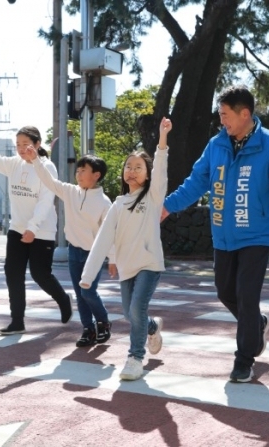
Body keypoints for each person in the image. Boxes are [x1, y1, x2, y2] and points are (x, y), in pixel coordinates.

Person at [162, 86, 269, 383]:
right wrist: (167, 207)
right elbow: (196, 182)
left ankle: (245, 357)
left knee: (246, 295)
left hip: (256, 234)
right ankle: (256, 324)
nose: (222, 121)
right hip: (223, 234)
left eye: (225, 115)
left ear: (244, 114)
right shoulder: (216, 145)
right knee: (225, 292)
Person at [80, 117, 172, 381]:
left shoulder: (153, 197)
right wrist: (88, 277)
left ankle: (135, 358)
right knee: (129, 312)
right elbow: (102, 240)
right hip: (127, 267)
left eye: (138, 167)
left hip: (149, 264)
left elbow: (162, 168)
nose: (132, 170)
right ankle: (152, 327)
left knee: (136, 310)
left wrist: (162, 138)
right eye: (128, 166)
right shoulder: (117, 205)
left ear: (147, 174)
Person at [0, 118, 72, 335]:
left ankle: (62, 298)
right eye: (18, 144)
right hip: (17, 229)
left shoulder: (47, 167)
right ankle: (17, 321)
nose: (21, 149)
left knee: (40, 274)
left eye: (25, 144)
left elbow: (46, 199)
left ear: (38, 144)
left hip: (42, 230)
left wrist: (33, 228)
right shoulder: (14, 164)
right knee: (13, 273)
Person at [24, 147, 115, 347]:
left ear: (96, 175)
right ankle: (88, 330)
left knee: (88, 292)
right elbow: (50, 182)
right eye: (78, 170)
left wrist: (113, 259)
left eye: (84, 170)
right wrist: (36, 161)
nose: (78, 173)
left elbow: (109, 234)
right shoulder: (71, 191)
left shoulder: (104, 202)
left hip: (94, 254)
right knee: (80, 293)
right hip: (74, 251)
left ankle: (103, 322)